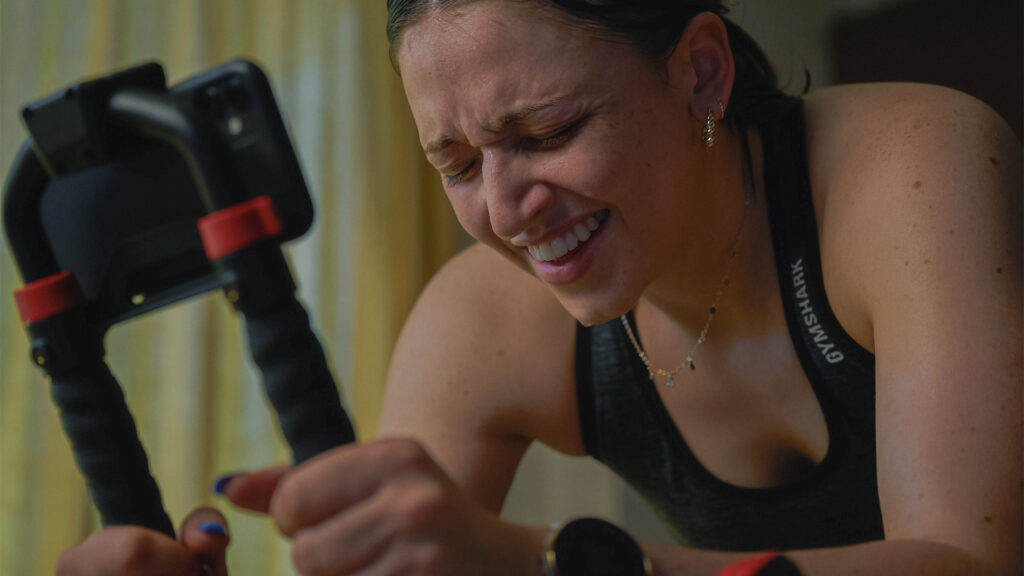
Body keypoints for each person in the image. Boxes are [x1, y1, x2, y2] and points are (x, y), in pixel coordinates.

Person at [57, 1, 1022, 574]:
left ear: (700, 72)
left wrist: (546, 563)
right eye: (458, 163)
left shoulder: (909, 167)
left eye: (547, 133)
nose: (510, 209)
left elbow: (972, 567)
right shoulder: (484, 320)